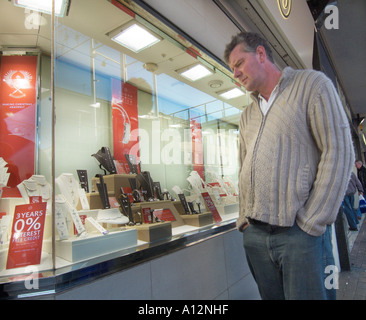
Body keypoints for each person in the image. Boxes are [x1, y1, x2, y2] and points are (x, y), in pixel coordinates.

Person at [224, 32, 354, 300]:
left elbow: (338, 151)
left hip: (300, 234)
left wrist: (312, 222)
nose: (235, 74)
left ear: (261, 54)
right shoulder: (247, 115)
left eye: (239, 64)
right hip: (256, 237)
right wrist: (244, 220)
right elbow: (243, 168)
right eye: (232, 69)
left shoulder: (312, 85)